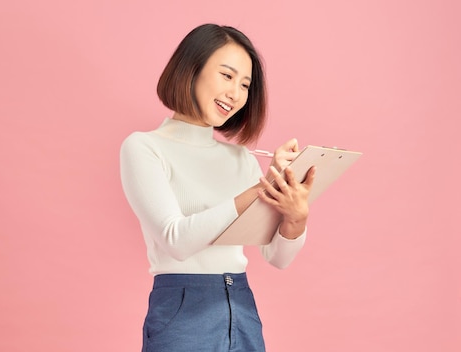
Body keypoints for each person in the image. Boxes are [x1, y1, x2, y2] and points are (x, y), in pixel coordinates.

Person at [120, 23, 316, 352]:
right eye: (227, 76)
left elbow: (277, 257)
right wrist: (259, 189)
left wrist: (295, 217)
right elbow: (176, 241)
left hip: (242, 305)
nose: (236, 94)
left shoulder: (241, 159)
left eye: (245, 85)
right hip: (182, 308)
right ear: (190, 69)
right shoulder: (143, 148)